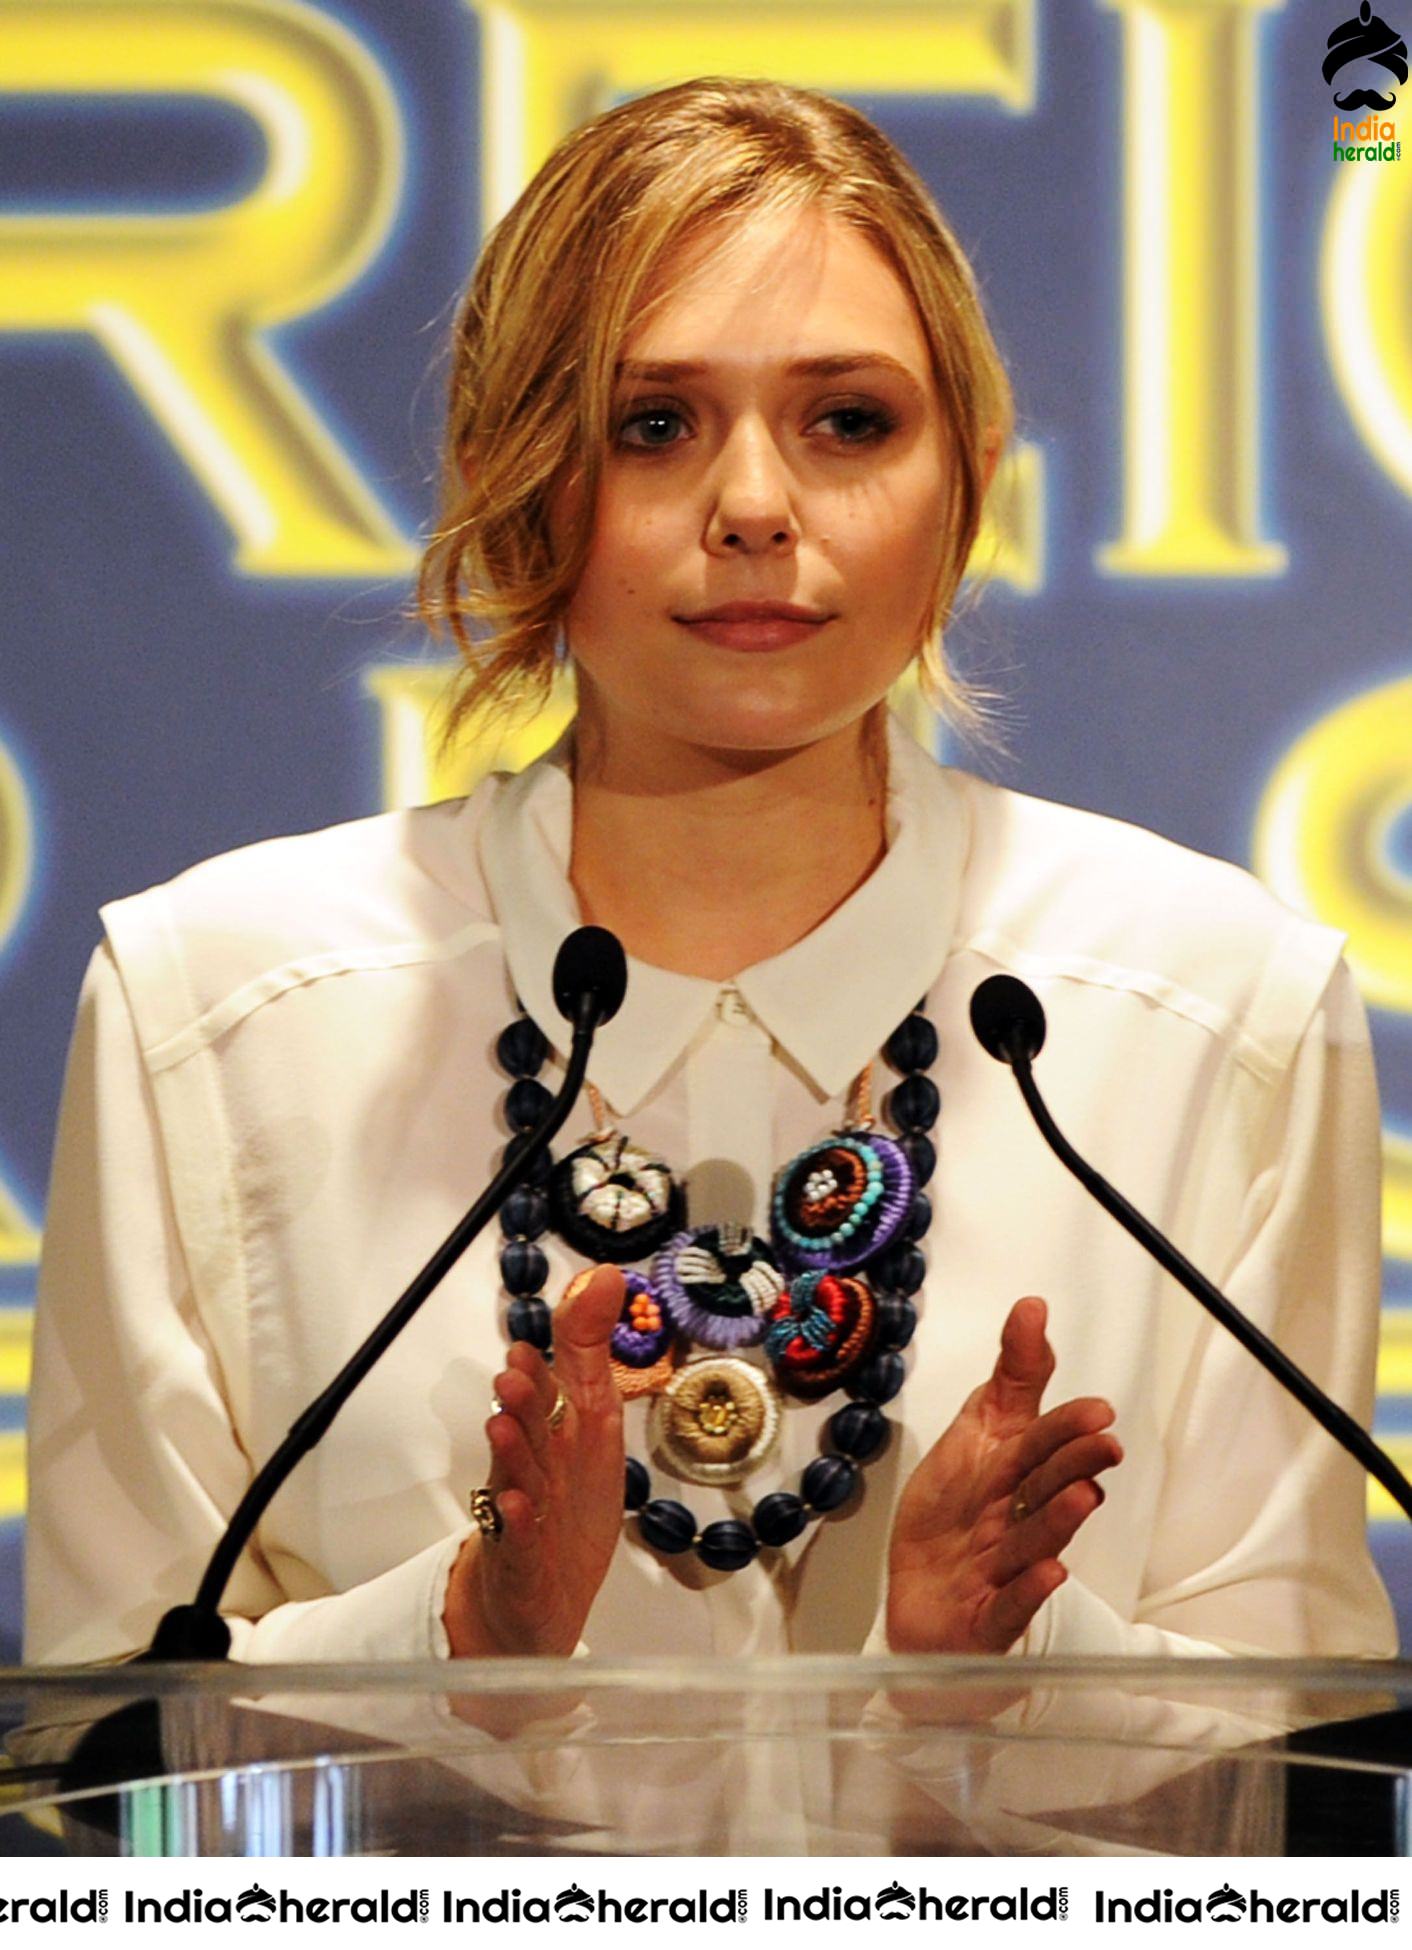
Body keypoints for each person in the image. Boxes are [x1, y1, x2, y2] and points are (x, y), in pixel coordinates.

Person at [23, 78, 1395, 1673]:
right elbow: (113, 1773)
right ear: (518, 470)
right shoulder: (212, 1010)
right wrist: (459, 1635)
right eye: (654, 423)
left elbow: (1291, 1780)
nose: (755, 505)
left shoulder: (1221, 1010)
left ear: (969, 476)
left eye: (849, 421)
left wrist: (1000, 1672)